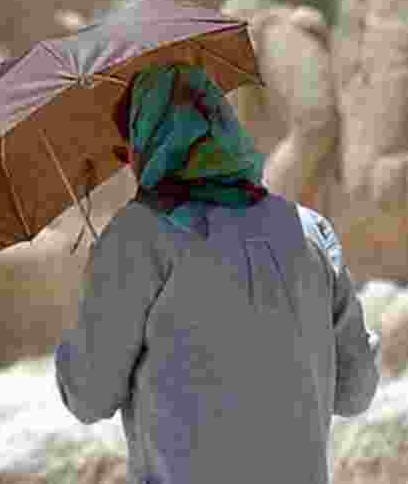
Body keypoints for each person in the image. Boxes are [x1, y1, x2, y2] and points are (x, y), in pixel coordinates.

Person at [55, 62, 381, 484]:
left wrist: (77, 342)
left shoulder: (138, 237)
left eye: (129, 148)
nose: (130, 163)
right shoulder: (311, 230)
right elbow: (355, 392)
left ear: (153, 144)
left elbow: (89, 395)